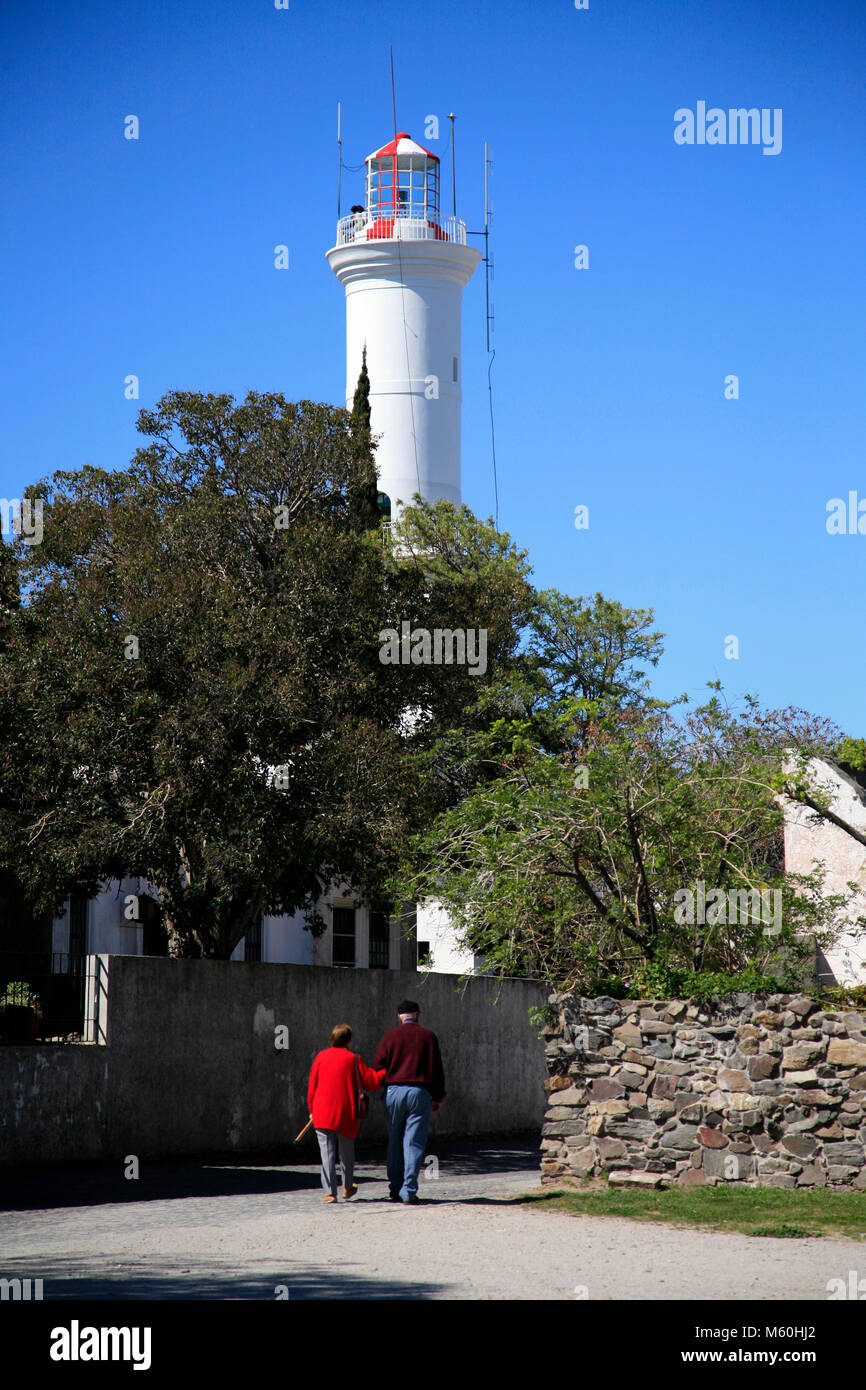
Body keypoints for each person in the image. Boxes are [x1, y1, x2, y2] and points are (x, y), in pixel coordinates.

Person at [373, 999, 445, 1205]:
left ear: (399, 1016)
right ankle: (409, 1190)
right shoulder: (428, 1037)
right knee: (413, 1142)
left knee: (394, 1139)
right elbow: (437, 1070)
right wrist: (438, 1096)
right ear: (418, 1015)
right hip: (419, 1092)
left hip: (393, 1091)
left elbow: (378, 1066)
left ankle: (394, 1188)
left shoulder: (390, 1036)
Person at [307, 1023, 385, 1203]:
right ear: (348, 1040)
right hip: (346, 1111)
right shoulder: (353, 1059)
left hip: (322, 1112)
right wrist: (384, 1072)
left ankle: (329, 1192)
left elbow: (312, 1087)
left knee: (326, 1153)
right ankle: (347, 1187)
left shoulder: (320, 1057)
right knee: (346, 1153)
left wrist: (312, 1110)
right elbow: (371, 1081)